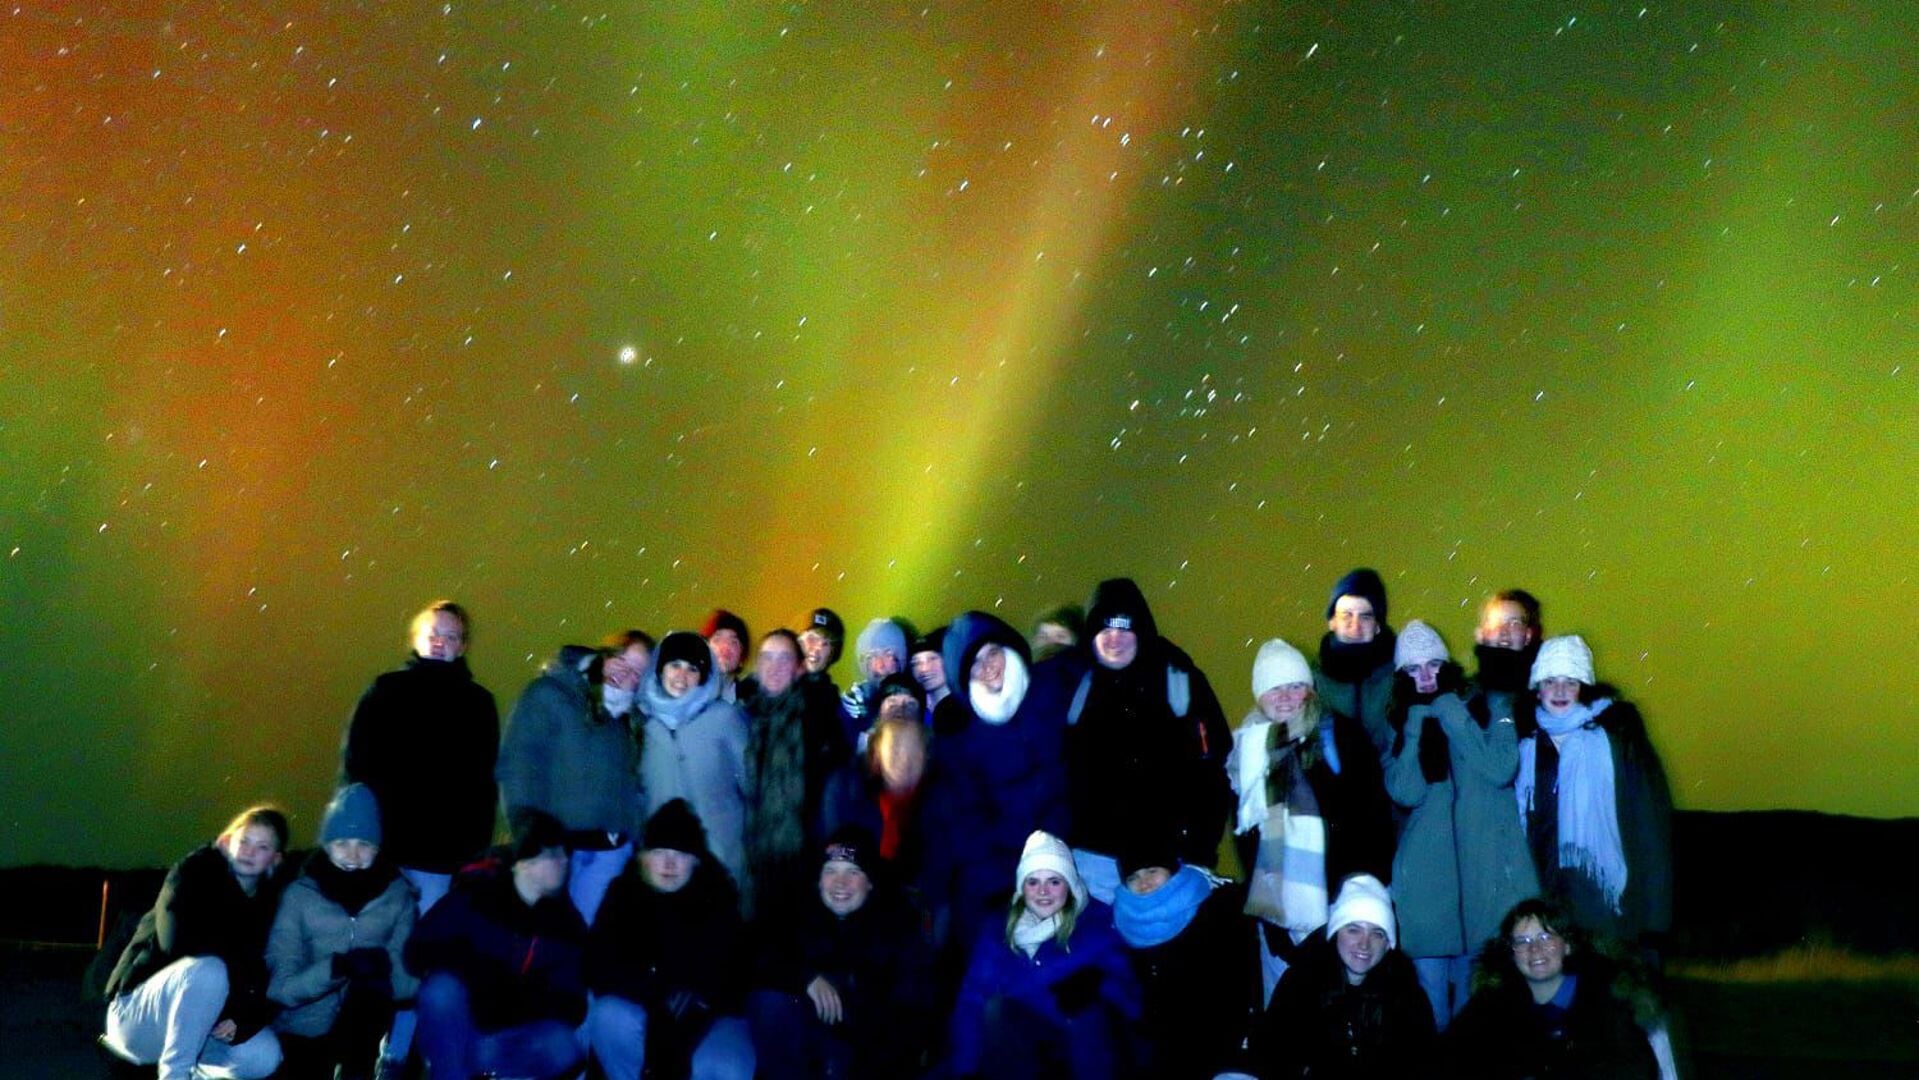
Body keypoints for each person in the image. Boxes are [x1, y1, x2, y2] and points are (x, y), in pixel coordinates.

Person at [1384, 620, 1539, 1029]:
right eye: (1414, 669)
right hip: (1426, 896)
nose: (1426, 676)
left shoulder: (1474, 712)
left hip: (1478, 892)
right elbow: (1407, 791)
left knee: (1473, 1018)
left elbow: (1499, 768)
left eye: (1433, 664)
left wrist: (1449, 710)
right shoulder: (1397, 728)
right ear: (1402, 677)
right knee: (1432, 1017)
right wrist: (1417, 721)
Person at [1229, 638, 1393, 1001]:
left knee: (1342, 1001)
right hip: (1276, 908)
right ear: (1259, 695)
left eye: (1296, 686)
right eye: (1275, 688)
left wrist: (1358, 890)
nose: (1285, 697)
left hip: (1340, 899)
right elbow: (1244, 835)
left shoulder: (1341, 736)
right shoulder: (1248, 751)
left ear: (1310, 690)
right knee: (1286, 1007)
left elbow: (1373, 818)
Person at [1065, 577, 1232, 900]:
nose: (1115, 639)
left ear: (1141, 629)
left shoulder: (1179, 677)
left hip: (1171, 862)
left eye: (1125, 627)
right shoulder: (1074, 685)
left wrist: (1199, 851)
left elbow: (1213, 771)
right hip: (1096, 866)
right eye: (1105, 629)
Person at [921, 611, 1077, 959]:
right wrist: (1016, 886)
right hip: (1013, 879)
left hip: (1077, 860)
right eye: (974, 664)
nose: (988, 667)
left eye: (992, 653)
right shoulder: (963, 742)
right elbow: (969, 828)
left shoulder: (1054, 689)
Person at [102, 806, 290, 1080]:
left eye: (262, 847)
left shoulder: (269, 906)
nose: (249, 851)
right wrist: (235, 997)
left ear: (275, 859)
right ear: (226, 843)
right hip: (136, 1018)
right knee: (209, 970)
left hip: (200, 1026)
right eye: (244, 841)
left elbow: (264, 977)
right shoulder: (191, 875)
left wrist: (242, 1018)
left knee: (264, 1055)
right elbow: (177, 946)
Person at [341, 600, 500, 913]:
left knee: (426, 941)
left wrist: (474, 846)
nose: (440, 642)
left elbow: (484, 782)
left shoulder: (479, 704)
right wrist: (354, 831)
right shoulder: (385, 690)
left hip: (441, 854)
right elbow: (355, 765)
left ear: (463, 645)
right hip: (383, 847)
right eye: (433, 633)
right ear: (416, 638)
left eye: (451, 636)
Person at [404, 812, 588, 1080]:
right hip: (460, 1029)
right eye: (552, 855)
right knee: (441, 990)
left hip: (511, 1035)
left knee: (563, 1047)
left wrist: (521, 999)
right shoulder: (477, 897)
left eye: (564, 854)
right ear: (524, 863)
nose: (563, 862)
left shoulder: (566, 923)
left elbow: (572, 1002)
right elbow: (417, 950)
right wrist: (473, 969)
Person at [1516, 635, 1673, 948]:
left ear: (1584, 687)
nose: (1560, 691)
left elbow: (1650, 826)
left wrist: (1655, 913)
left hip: (1605, 899)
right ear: (1537, 689)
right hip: (1544, 895)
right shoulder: (1524, 744)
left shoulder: (1619, 738)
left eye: (1571, 682)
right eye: (1550, 681)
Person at [947, 830, 1142, 1080]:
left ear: (1069, 885)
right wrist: (966, 1070)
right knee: (997, 1011)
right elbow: (971, 1000)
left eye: (1054, 881)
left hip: (1084, 1048)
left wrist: (1100, 982)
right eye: (1033, 881)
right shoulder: (997, 930)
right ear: (1022, 886)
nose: (1043, 891)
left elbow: (1131, 996)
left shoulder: (1096, 925)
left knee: (1087, 1016)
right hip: (1023, 1048)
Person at [747, 826, 937, 1080]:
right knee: (769, 1001)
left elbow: (911, 1016)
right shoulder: (794, 913)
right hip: (802, 1054)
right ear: (819, 880)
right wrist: (806, 977)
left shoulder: (898, 927)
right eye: (830, 871)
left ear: (870, 882)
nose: (840, 883)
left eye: (853, 872)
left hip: (867, 1056)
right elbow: (755, 959)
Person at [587, 800, 755, 1080]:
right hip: (642, 1011)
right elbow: (596, 962)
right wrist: (653, 993)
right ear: (644, 857)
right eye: (660, 852)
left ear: (696, 860)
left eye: (679, 853)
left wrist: (696, 1000)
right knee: (609, 1016)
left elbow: (735, 976)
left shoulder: (718, 898)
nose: (668, 863)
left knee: (728, 1066)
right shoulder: (622, 895)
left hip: (708, 1018)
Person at [267, 785, 418, 1080]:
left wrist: (386, 970)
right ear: (326, 844)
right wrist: (334, 969)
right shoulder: (299, 895)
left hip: (363, 1029)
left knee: (369, 989)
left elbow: (406, 988)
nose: (353, 854)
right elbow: (280, 988)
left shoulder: (399, 895)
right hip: (303, 1026)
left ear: (377, 847)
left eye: (364, 843)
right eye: (341, 842)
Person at [498, 635, 648, 926]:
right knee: (541, 935)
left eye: (636, 673)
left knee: (587, 943)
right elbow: (520, 765)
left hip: (606, 855)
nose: (624, 674)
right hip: (551, 849)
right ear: (606, 654)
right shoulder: (553, 692)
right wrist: (526, 833)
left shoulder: (629, 721)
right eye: (622, 661)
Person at [1246, 874, 1436, 1079]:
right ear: (1336, 933)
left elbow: (1422, 1065)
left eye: (1377, 933)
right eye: (1353, 930)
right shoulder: (1301, 984)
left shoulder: (1407, 995)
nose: (1364, 944)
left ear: (1388, 944)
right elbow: (1270, 1056)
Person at [1447, 898, 1661, 1079]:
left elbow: (1635, 1068)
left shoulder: (1606, 995)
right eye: (1522, 941)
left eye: (1546, 937)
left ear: (1567, 945)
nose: (1535, 949)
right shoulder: (1493, 1004)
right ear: (1511, 954)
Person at [1110, 834, 1261, 1080]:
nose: (1144, 883)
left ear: (1171, 870)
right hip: (1158, 1052)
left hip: (1219, 1044)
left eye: (1152, 870)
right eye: (1133, 877)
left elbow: (1240, 984)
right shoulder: (1124, 924)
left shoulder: (1218, 910)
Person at [742, 629, 850, 922]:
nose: (774, 666)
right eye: (767, 657)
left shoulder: (818, 719)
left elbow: (834, 791)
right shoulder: (744, 718)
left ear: (799, 667)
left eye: (784, 658)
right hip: (751, 864)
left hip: (803, 865)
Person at [638, 630, 753, 890]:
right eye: (674, 665)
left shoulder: (725, 718)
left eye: (692, 668)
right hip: (664, 863)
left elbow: (751, 783)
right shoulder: (645, 725)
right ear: (660, 669)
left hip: (719, 858)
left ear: (703, 676)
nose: (682, 676)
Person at [819, 706, 935, 887]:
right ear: (877, 753)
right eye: (895, 748)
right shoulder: (845, 789)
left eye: (913, 749)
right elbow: (836, 856)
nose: (904, 759)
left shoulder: (940, 800)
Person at [1315, 569, 1398, 758]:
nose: (1355, 625)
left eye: (1366, 616)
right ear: (1332, 621)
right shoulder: (1310, 684)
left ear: (1378, 625)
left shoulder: (1403, 675)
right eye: (1346, 615)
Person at [839, 617, 912, 751]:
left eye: (887, 654)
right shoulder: (852, 705)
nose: (879, 665)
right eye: (870, 657)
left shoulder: (917, 696)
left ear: (901, 658)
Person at [1471, 590, 1543, 724]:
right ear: (1481, 633)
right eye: (1495, 622)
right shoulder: (1464, 699)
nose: (1504, 631)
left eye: (1514, 623)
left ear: (1528, 635)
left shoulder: (1547, 698)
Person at [704, 609, 751, 704]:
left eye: (733, 642)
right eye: (717, 640)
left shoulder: (751, 702)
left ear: (742, 655)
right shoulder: (687, 692)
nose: (725, 647)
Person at [909, 628, 952, 714]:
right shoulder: (913, 709)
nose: (924, 669)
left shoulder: (972, 702)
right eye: (916, 663)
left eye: (932, 659)